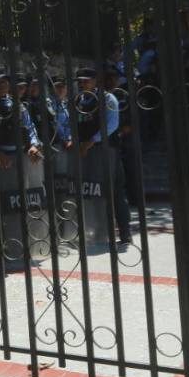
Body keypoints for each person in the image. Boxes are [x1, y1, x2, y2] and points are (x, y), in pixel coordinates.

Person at [79, 68, 133, 249]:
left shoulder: (108, 98)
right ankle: (97, 231)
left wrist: (91, 141)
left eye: (86, 81)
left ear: (95, 81)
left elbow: (112, 124)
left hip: (108, 151)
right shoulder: (79, 100)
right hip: (88, 153)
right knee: (93, 191)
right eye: (80, 81)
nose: (83, 84)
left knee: (115, 192)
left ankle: (125, 233)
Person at [0, 67, 41, 169]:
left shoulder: (17, 104)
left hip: (21, 156)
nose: (2, 85)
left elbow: (29, 126)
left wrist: (34, 145)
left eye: (5, 81)